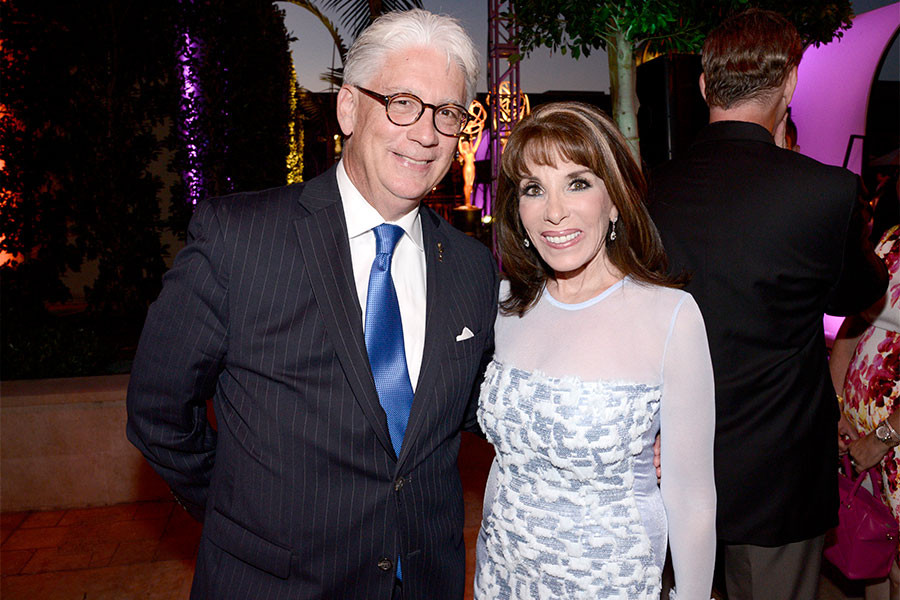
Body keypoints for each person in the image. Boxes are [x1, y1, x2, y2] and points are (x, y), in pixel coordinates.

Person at [126, 9, 498, 600]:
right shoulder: (239, 239)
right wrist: (241, 514)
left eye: (447, 113)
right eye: (403, 103)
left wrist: (626, 430)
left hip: (426, 581)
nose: (426, 134)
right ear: (349, 108)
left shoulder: (472, 268)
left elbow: (483, 403)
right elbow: (158, 410)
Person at [647, 9, 889, 600]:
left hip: (667, 460)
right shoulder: (824, 191)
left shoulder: (649, 190)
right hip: (778, 470)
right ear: (790, 83)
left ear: (704, 85)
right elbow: (859, 293)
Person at [474, 101, 717, 599]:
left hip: (612, 584)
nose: (554, 211)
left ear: (615, 200)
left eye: (577, 183)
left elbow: (692, 500)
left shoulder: (670, 316)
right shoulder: (505, 305)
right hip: (502, 577)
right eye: (534, 189)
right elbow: (505, 466)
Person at [830, 223, 900, 600]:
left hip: (891, 441)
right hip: (862, 438)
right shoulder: (893, 239)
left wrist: (882, 438)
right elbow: (855, 320)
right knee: (875, 552)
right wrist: (837, 405)